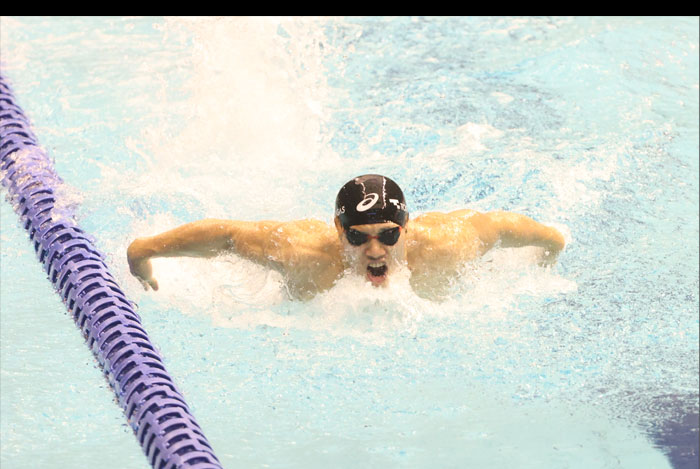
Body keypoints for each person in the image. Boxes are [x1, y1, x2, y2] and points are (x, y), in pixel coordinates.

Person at [127, 174, 566, 301]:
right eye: (357, 237)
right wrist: (143, 251)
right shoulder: (303, 252)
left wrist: (551, 246)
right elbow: (224, 235)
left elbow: (504, 226)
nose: (374, 250)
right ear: (338, 230)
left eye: (388, 235)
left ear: (406, 229)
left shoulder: (448, 244)